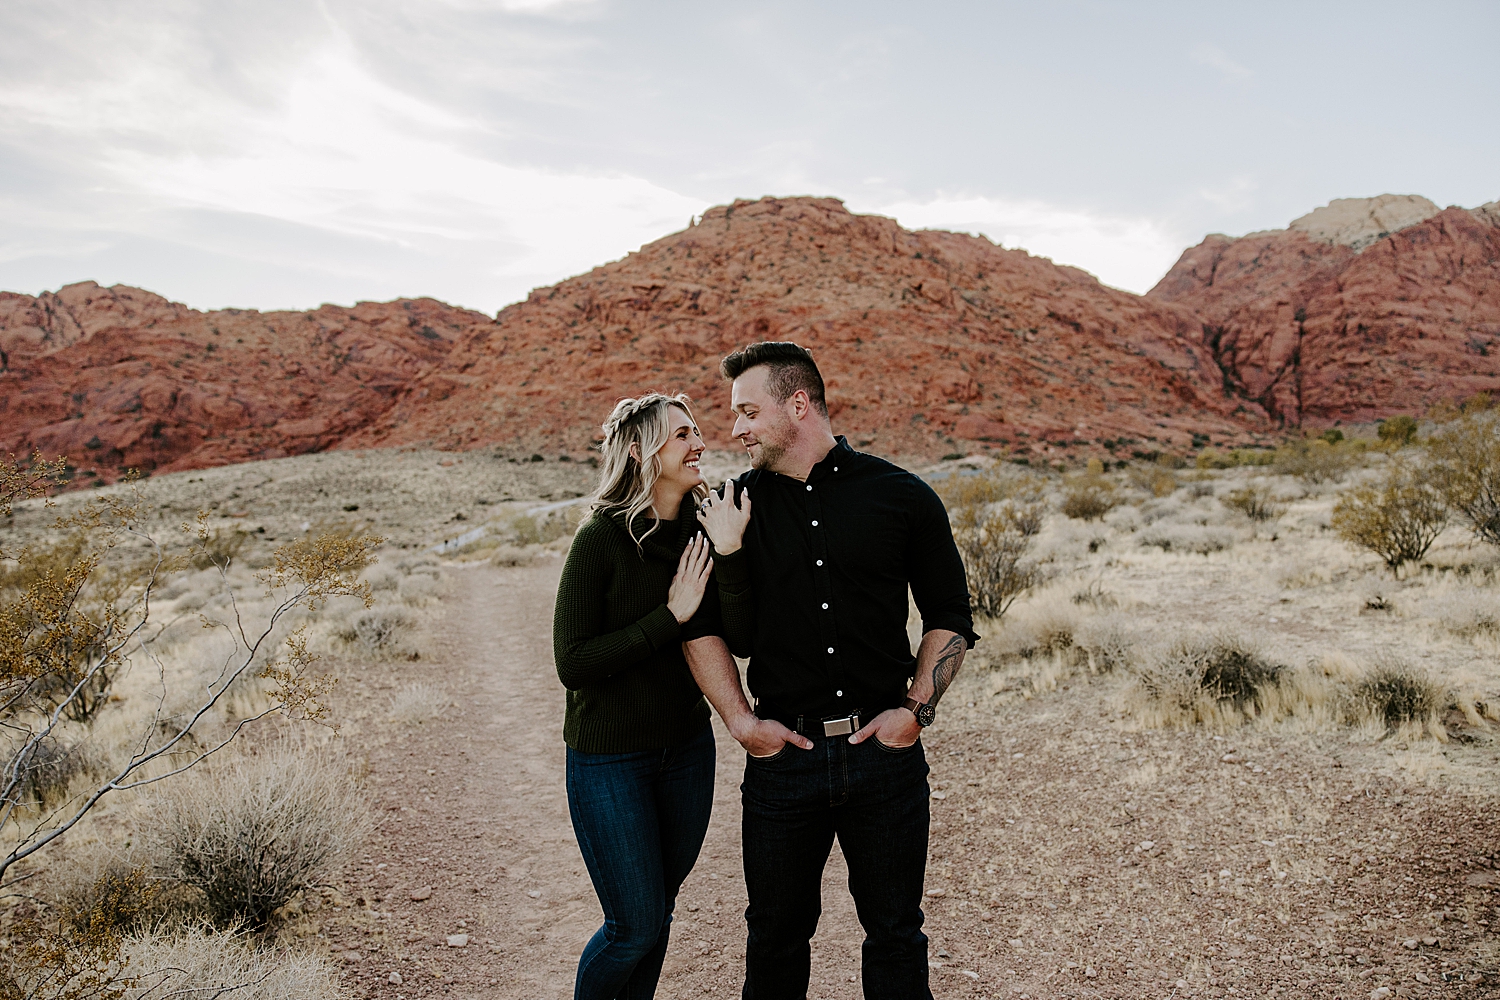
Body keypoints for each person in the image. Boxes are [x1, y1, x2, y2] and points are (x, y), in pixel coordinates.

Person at [683, 342, 978, 999]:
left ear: (798, 404)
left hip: (887, 758)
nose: (736, 429)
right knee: (776, 941)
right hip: (782, 760)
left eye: (748, 411)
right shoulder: (729, 508)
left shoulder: (903, 497)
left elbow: (949, 616)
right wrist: (738, 721)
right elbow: (701, 626)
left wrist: (917, 712)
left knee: (897, 935)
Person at [553, 391, 751, 1000]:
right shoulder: (600, 540)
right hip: (610, 759)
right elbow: (574, 662)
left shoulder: (704, 528)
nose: (700, 443)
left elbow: (738, 637)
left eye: (697, 431)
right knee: (632, 926)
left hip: (686, 754)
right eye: (682, 434)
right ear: (641, 451)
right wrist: (670, 617)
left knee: (655, 915)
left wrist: (731, 551)